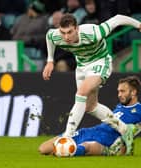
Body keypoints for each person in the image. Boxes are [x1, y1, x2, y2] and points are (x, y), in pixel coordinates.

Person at [42, 13, 141, 155]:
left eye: (70, 32)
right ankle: (124, 130)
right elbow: (48, 36)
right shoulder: (56, 35)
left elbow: (118, 18)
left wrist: (138, 25)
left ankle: (67, 136)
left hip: (100, 62)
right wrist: (50, 60)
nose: (66, 37)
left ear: (77, 28)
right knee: (91, 106)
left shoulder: (93, 32)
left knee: (81, 92)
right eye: (63, 33)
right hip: (82, 66)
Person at [39, 76, 141, 156]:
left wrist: (123, 145)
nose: (119, 94)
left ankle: (68, 152)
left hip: (105, 140)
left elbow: (133, 132)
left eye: (123, 91)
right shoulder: (120, 106)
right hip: (90, 131)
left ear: (133, 92)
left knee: (85, 147)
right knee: (44, 148)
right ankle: (65, 150)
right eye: (118, 91)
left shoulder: (139, 110)